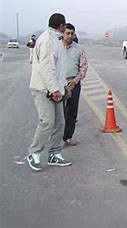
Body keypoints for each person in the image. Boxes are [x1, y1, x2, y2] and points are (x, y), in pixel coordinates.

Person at [26, 13, 72, 171]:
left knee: (59, 122)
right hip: (43, 89)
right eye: (64, 26)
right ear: (61, 26)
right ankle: (34, 153)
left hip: (55, 89)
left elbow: (59, 68)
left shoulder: (57, 40)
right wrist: (54, 90)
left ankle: (54, 154)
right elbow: (46, 68)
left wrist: (64, 86)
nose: (65, 28)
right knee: (47, 122)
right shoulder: (46, 40)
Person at [62, 23, 88, 146]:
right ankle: (57, 138)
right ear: (62, 33)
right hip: (58, 83)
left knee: (71, 111)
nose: (70, 36)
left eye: (72, 34)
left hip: (73, 83)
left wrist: (75, 81)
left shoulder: (79, 49)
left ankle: (68, 136)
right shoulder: (56, 47)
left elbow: (83, 68)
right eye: (67, 33)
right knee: (58, 113)